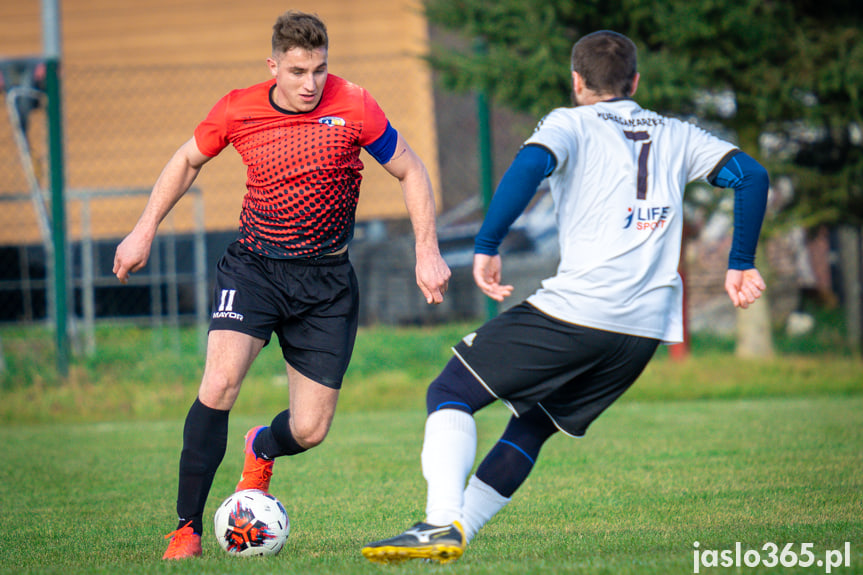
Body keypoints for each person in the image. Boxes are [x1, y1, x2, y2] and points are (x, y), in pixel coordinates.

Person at [361, 30, 769, 564]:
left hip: (582, 310)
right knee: (532, 424)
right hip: (643, 330)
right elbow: (751, 176)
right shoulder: (676, 133)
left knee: (452, 388)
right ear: (636, 82)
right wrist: (740, 262)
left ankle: (439, 521)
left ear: (577, 82)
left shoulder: (569, 122)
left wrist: (487, 244)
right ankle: (457, 530)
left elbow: (529, 167)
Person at [113, 11, 451, 560]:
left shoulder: (356, 105)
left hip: (327, 285)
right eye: (297, 71)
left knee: (311, 429)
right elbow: (186, 160)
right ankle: (186, 530)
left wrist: (427, 249)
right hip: (255, 270)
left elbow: (411, 170)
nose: (310, 83)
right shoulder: (238, 107)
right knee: (220, 383)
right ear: (273, 67)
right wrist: (142, 230)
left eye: (319, 69)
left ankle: (261, 447)